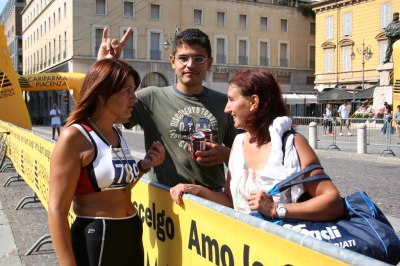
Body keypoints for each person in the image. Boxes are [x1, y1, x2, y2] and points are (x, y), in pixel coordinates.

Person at [170, 69, 344, 222]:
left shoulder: (292, 144)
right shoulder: (238, 143)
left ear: (253, 102)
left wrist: (276, 209)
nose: (226, 109)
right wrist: (196, 190)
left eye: (231, 100)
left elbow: (333, 203)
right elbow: (231, 201)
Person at [48, 59, 165, 265]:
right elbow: (57, 209)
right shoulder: (74, 137)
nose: (134, 98)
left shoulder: (116, 133)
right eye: (127, 90)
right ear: (103, 94)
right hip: (97, 235)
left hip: (130, 231)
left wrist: (142, 167)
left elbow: (118, 186)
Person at [98, 28, 238, 190]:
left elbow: (248, 153)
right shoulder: (150, 98)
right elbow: (102, 114)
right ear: (172, 61)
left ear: (209, 63)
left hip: (209, 203)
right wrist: (104, 67)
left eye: (198, 59)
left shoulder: (224, 103)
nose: (190, 65)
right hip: (163, 201)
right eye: (183, 58)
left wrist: (228, 155)